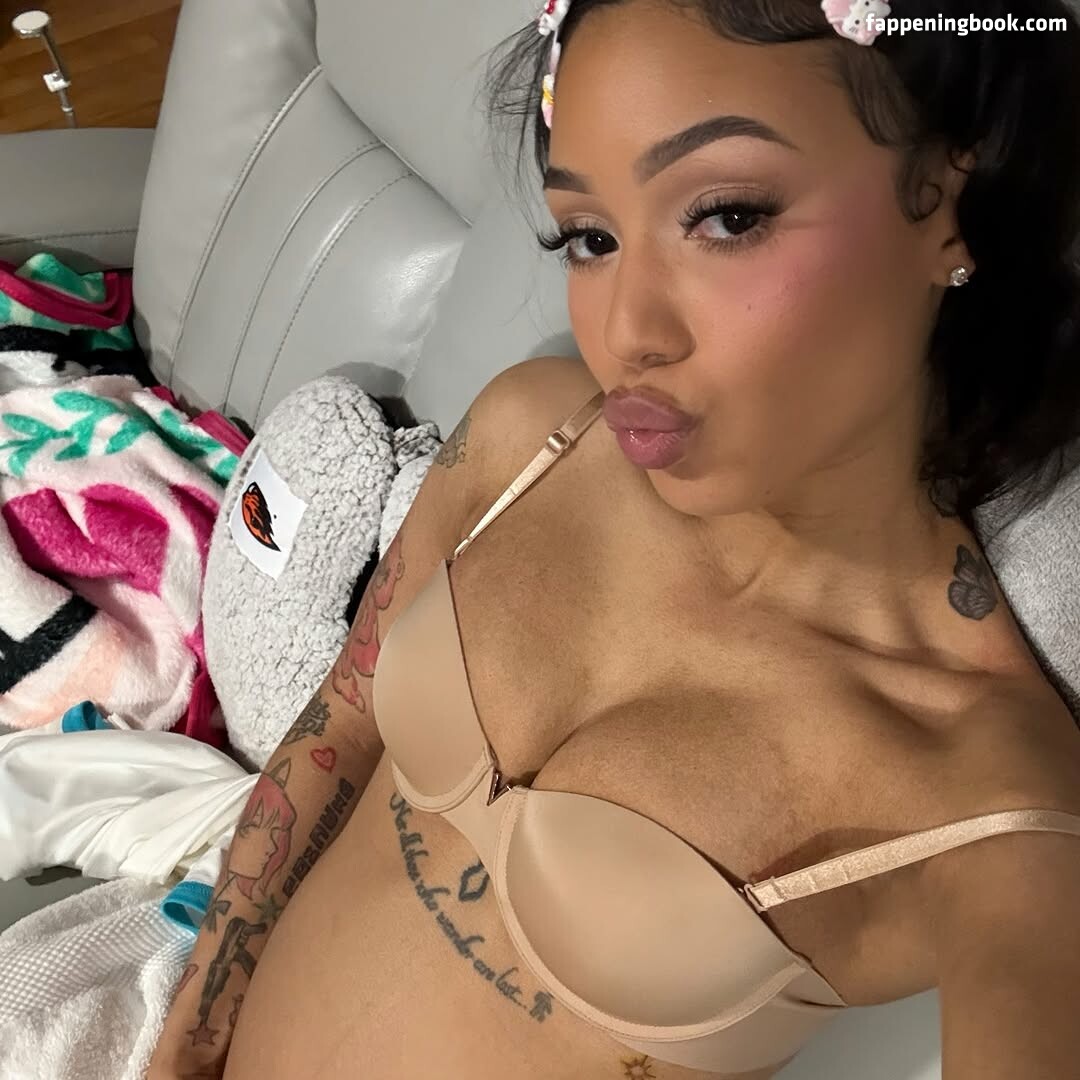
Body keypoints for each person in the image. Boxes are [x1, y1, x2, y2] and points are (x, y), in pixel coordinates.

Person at [147, 1, 1080, 1077]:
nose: (627, 332)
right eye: (589, 238)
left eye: (726, 217)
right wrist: (183, 1047)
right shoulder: (530, 436)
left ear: (946, 200)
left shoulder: (984, 802)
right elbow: (345, 726)